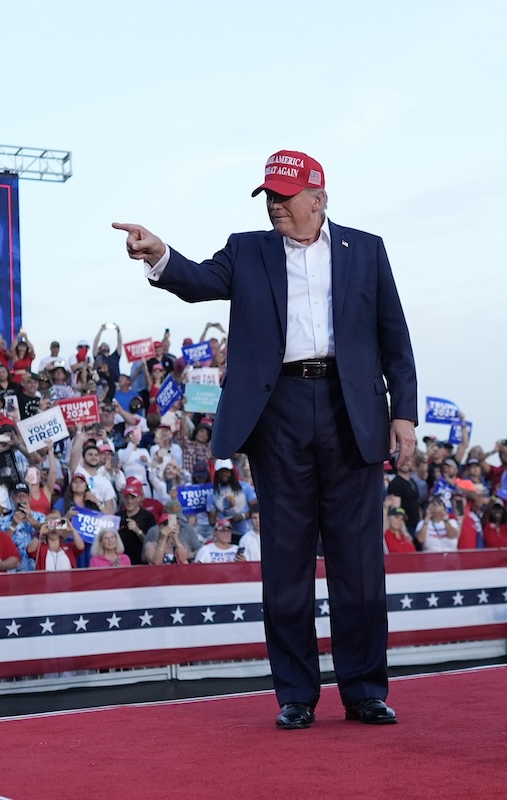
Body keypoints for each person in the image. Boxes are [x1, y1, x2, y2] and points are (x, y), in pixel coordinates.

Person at [115, 149, 417, 728]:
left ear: (318, 198)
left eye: (285, 195)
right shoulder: (248, 249)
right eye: (270, 196)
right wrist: (160, 255)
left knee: (358, 562)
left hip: (351, 410)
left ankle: (363, 689)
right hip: (277, 412)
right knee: (285, 560)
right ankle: (296, 695)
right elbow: (199, 281)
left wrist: (403, 412)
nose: (275, 205)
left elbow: (394, 338)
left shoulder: (367, 250)